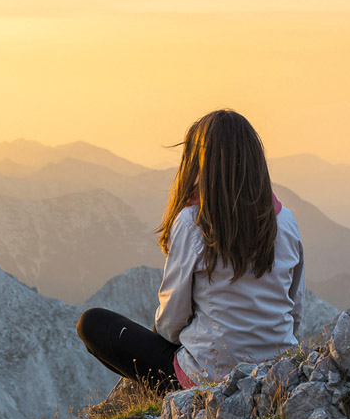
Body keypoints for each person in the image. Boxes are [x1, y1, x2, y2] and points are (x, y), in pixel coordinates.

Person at [76, 109, 305, 392]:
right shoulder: (286, 221)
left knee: (92, 323)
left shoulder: (193, 222)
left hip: (210, 378)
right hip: (278, 368)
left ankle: (164, 395)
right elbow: (295, 310)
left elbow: (172, 321)